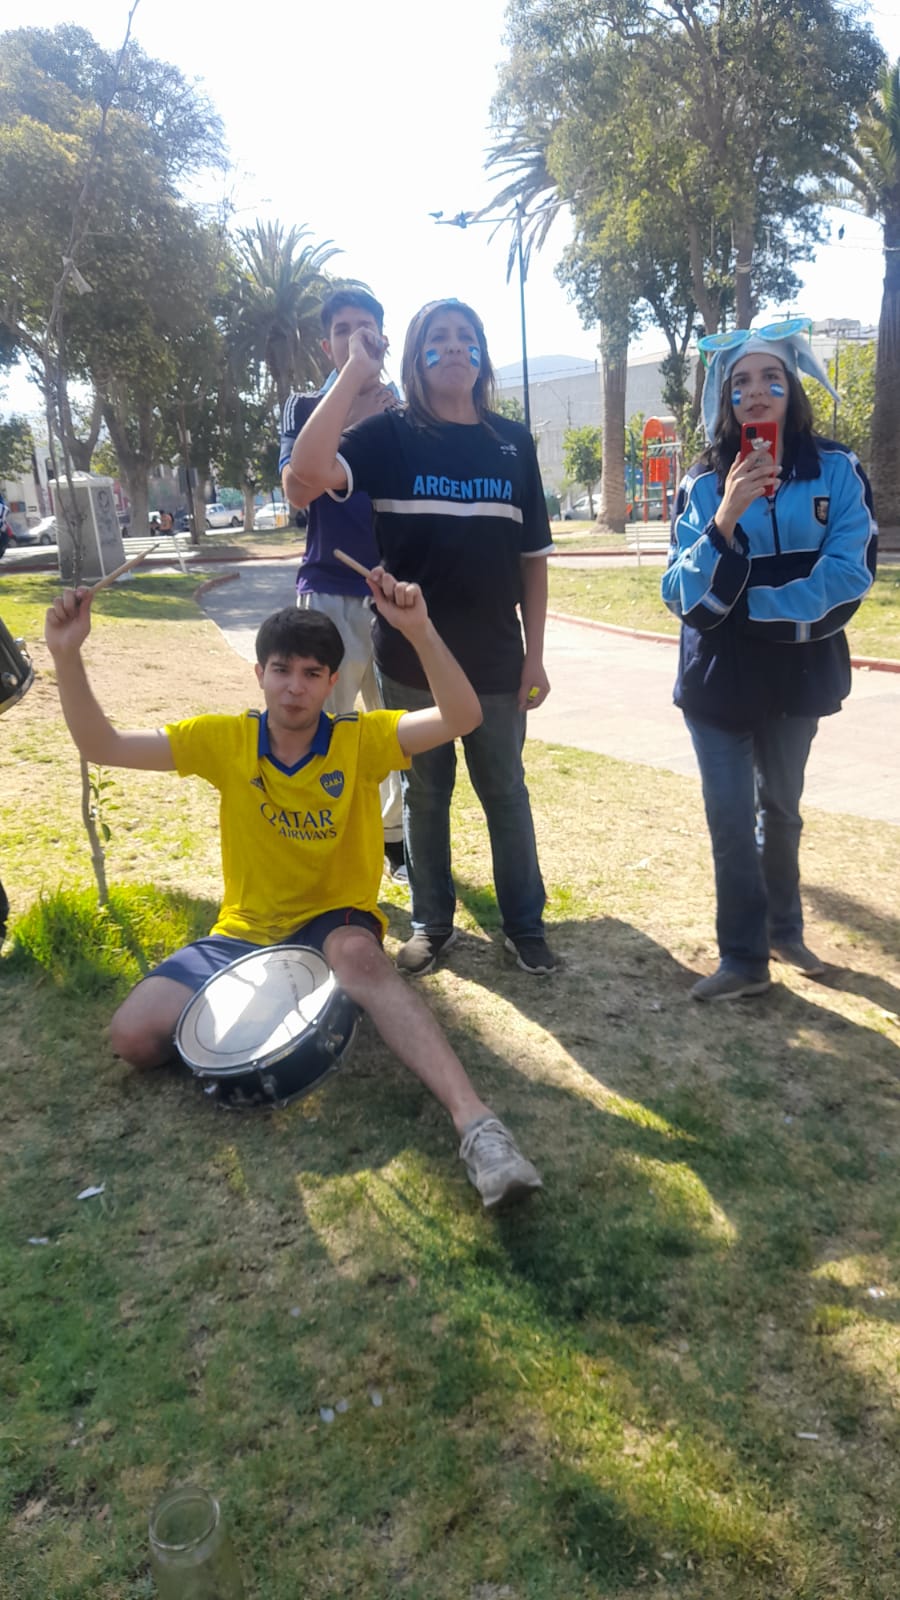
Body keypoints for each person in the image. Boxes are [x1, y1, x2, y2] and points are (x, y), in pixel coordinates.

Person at [44, 571, 542, 1210]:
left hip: (335, 924)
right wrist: (66, 652)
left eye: (313, 673)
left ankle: (478, 1126)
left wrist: (417, 628)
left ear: (334, 683)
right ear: (259, 675)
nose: (295, 686)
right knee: (132, 1039)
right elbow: (101, 745)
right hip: (243, 934)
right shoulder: (223, 739)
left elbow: (462, 716)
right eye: (282, 670)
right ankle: (310, 1007)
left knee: (360, 958)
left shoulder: (359, 741)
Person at [287, 297, 556, 978]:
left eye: (468, 336)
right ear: (416, 356)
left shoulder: (512, 443)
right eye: (438, 338)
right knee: (425, 797)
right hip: (409, 661)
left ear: (482, 355)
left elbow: (532, 562)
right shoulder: (389, 437)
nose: (455, 346)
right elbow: (307, 475)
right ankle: (433, 925)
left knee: (506, 793)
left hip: (496, 660)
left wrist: (536, 655)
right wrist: (353, 372)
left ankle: (526, 927)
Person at [662, 318, 877, 1001]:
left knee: (780, 809)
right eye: (740, 383)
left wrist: (750, 610)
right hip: (717, 684)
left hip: (797, 678)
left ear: (792, 390)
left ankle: (786, 929)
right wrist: (726, 514)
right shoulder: (701, 485)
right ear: (724, 401)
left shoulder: (837, 472)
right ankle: (744, 959)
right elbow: (683, 596)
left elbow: (850, 574)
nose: (755, 395)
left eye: (770, 380)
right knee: (731, 820)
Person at [281, 289, 405, 882]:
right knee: (319, 730)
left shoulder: (408, 412)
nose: (357, 338)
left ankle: (397, 846)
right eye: (343, 330)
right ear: (326, 344)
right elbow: (297, 490)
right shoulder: (306, 407)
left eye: (367, 328)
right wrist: (355, 409)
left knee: (395, 734)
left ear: (384, 336)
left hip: (392, 598)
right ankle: (320, 849)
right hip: (327, 593)